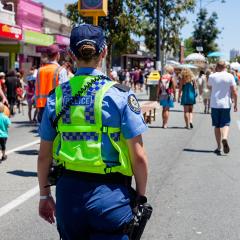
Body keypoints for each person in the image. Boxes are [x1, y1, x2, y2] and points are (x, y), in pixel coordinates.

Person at [37, 24, 148, 240]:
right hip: (111, 197)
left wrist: (44, 195)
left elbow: (44, 156)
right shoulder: (120, 95)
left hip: (69, 197)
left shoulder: (56, 97)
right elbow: (139, 157)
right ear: (104, 52)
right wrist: (141, 197)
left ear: (70, 54)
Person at [208, 61, 238, 155]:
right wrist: (236, 104)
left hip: (215, 104)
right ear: (225, 67)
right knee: (225, 123)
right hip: (225, 104)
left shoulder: (212, 76)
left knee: (216, 125)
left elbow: (209, 87)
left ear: (217, 67)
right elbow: (234, 91)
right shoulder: (230, 76)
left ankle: (219, 147)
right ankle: (224, 137)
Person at [35, 44, 68, 123]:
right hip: (55, 109)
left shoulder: (40, 70)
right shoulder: (61, 70)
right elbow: (65, 92)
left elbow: (36, 90)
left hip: (42, 109)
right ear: (57, 55)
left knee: (44, 135)